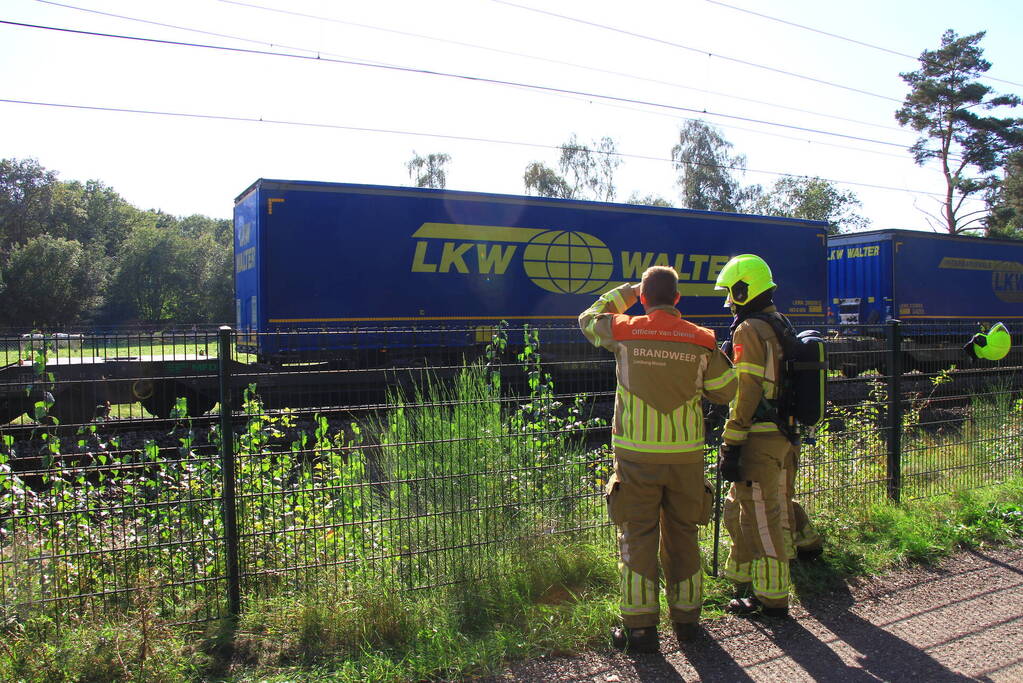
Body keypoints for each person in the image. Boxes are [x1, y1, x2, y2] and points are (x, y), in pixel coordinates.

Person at [579, 266, 736, 652]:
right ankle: (687, 623)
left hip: (636, 458)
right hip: (685, 458)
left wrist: (628, 293)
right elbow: (725, 390)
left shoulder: (624, 329)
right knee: (684, 535)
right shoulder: (701, 339)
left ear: (644, 298)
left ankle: (640, 630)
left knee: (637, 538)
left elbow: (586, 319)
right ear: (678, 299)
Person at [714, 253, 809, 618]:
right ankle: (740, 575)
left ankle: (771, 597)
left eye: (730, 293)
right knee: (749, 508)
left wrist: (732, 439)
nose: (728, 302)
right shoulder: (778, 322)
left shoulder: (748, 329)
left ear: (744, 289)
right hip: (785, 433)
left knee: (763, 517)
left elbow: (747, 388)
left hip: (760, 436)